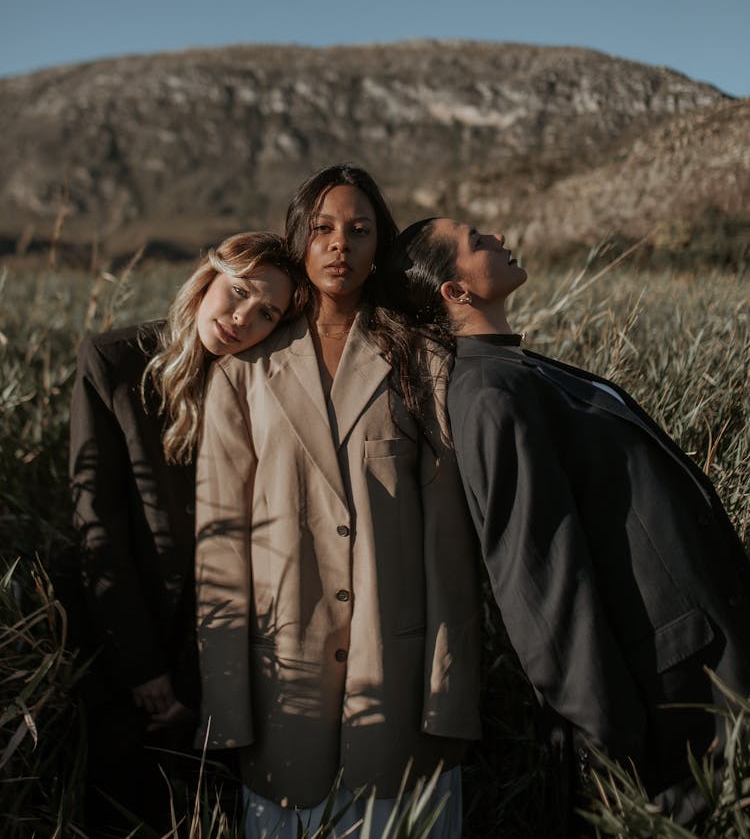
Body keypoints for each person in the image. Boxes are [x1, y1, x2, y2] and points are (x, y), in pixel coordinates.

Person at [381, 217, 750, 828]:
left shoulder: (523, 369)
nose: (497, 234)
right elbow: (541, 584)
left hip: (706, 666)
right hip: (676, 702)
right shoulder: (489, 396)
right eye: (477, 240)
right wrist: (607, 758)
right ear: (455, 291)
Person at [195, 167, 481, 839]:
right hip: (283, 694)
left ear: (380, 244)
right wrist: (229, 707)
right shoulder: (245, 371)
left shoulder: (422, 359)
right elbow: (221, 546)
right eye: (322, 229)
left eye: (359, 230)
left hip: (401, 684)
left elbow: (449, 543)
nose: (339, 246)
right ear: (297, 240)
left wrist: (448, 698)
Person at [68, 231, 301, 836]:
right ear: (207, 280)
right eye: (239, 292)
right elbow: (98, 528)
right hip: (131, 652)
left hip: (229, 658)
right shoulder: (113, 364)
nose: (242, 319)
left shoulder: (262, 382)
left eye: (266, 312)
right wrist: (143, 670)